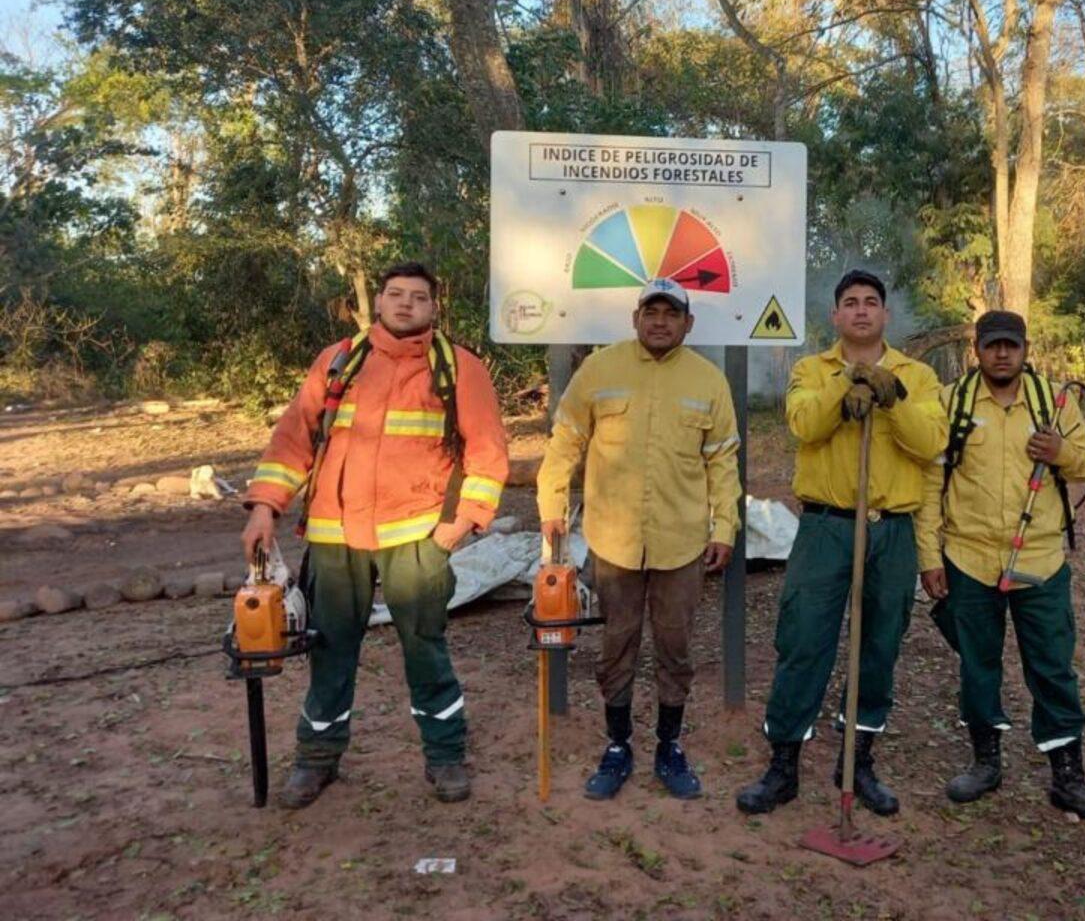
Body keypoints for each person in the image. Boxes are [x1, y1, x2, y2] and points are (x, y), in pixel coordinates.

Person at [241, 262, 509, 808]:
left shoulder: (460, 369)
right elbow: (294, 438)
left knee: (426, 652)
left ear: (435, 308)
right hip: (336, 536)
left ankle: (445, 757)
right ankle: (316, 761)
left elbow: (487, 451)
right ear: (378, 302)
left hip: (416, 538)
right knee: (331, 652)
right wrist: (265, 507)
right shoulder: (339, 360)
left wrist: (462, 522)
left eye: (417, 297)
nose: (405, 304)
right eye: (394, 294)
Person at [736, 269, 947, 817]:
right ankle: (783, 764)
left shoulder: (919, 376)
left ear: (885, 315)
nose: (860, 311)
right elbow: (804, 426)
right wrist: (846, 384)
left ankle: (859, 760)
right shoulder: (810, 369)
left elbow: (930, 444)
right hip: (827, 527)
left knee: (879, 645)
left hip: (892, 530)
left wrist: (891, 397)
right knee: (805, 638)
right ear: (835, 316)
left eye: (870, 302)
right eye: (849, 303)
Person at [536, 277, 742, 800]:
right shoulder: (600, 370)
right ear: (635, 318)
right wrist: (551, 507)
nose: (660, 321)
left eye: (671, 314)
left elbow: (722, 462)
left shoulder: (708, 380)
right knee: (616, 645)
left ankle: (670, 748)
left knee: (675, 648)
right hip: (614, 541)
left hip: (682, 544)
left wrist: (724, 527)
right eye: (651, 312)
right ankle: (618, 745)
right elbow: (565, 443)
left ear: (688, 324)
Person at [916, 310, 1085, 830]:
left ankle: (1068, 777)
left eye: (1011, 345)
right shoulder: (952, 401)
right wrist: (929, 557)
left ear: (1025, 348)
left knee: (1052, 667)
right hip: (969, 559)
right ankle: (985, 763)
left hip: (1040, 560)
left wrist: (1062, 452)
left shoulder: (1052, 401)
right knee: (977, 665)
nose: (1002, 354)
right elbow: (928, 485)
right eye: (992, 346)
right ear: (978, 351)